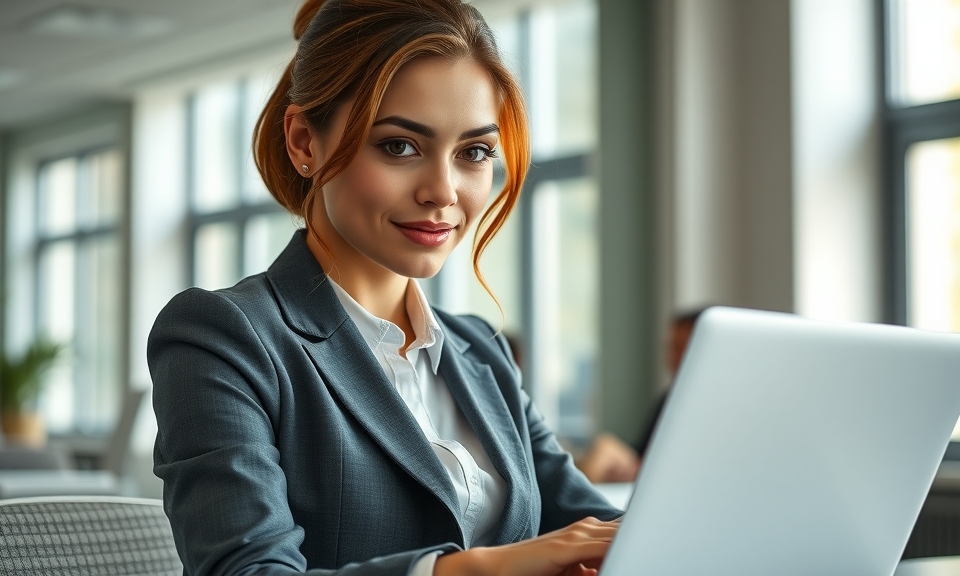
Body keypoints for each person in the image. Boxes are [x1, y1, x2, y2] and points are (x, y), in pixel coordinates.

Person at [148, 2, 621, 575]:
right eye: (399, 145)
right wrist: (470, 571)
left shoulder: (481, 351)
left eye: (474, 152)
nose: (443, 191)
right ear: (304, 142)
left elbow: (602, 526)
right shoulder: (223, 337)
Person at [574, 308, 706, 484]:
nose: (673, 357)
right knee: (602, 447)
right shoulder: (668, 399)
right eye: (672, 347)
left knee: (603, 448)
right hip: (645, 466)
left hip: (664, 471)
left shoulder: (706, 405)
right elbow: (641, 448)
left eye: (682, 348)